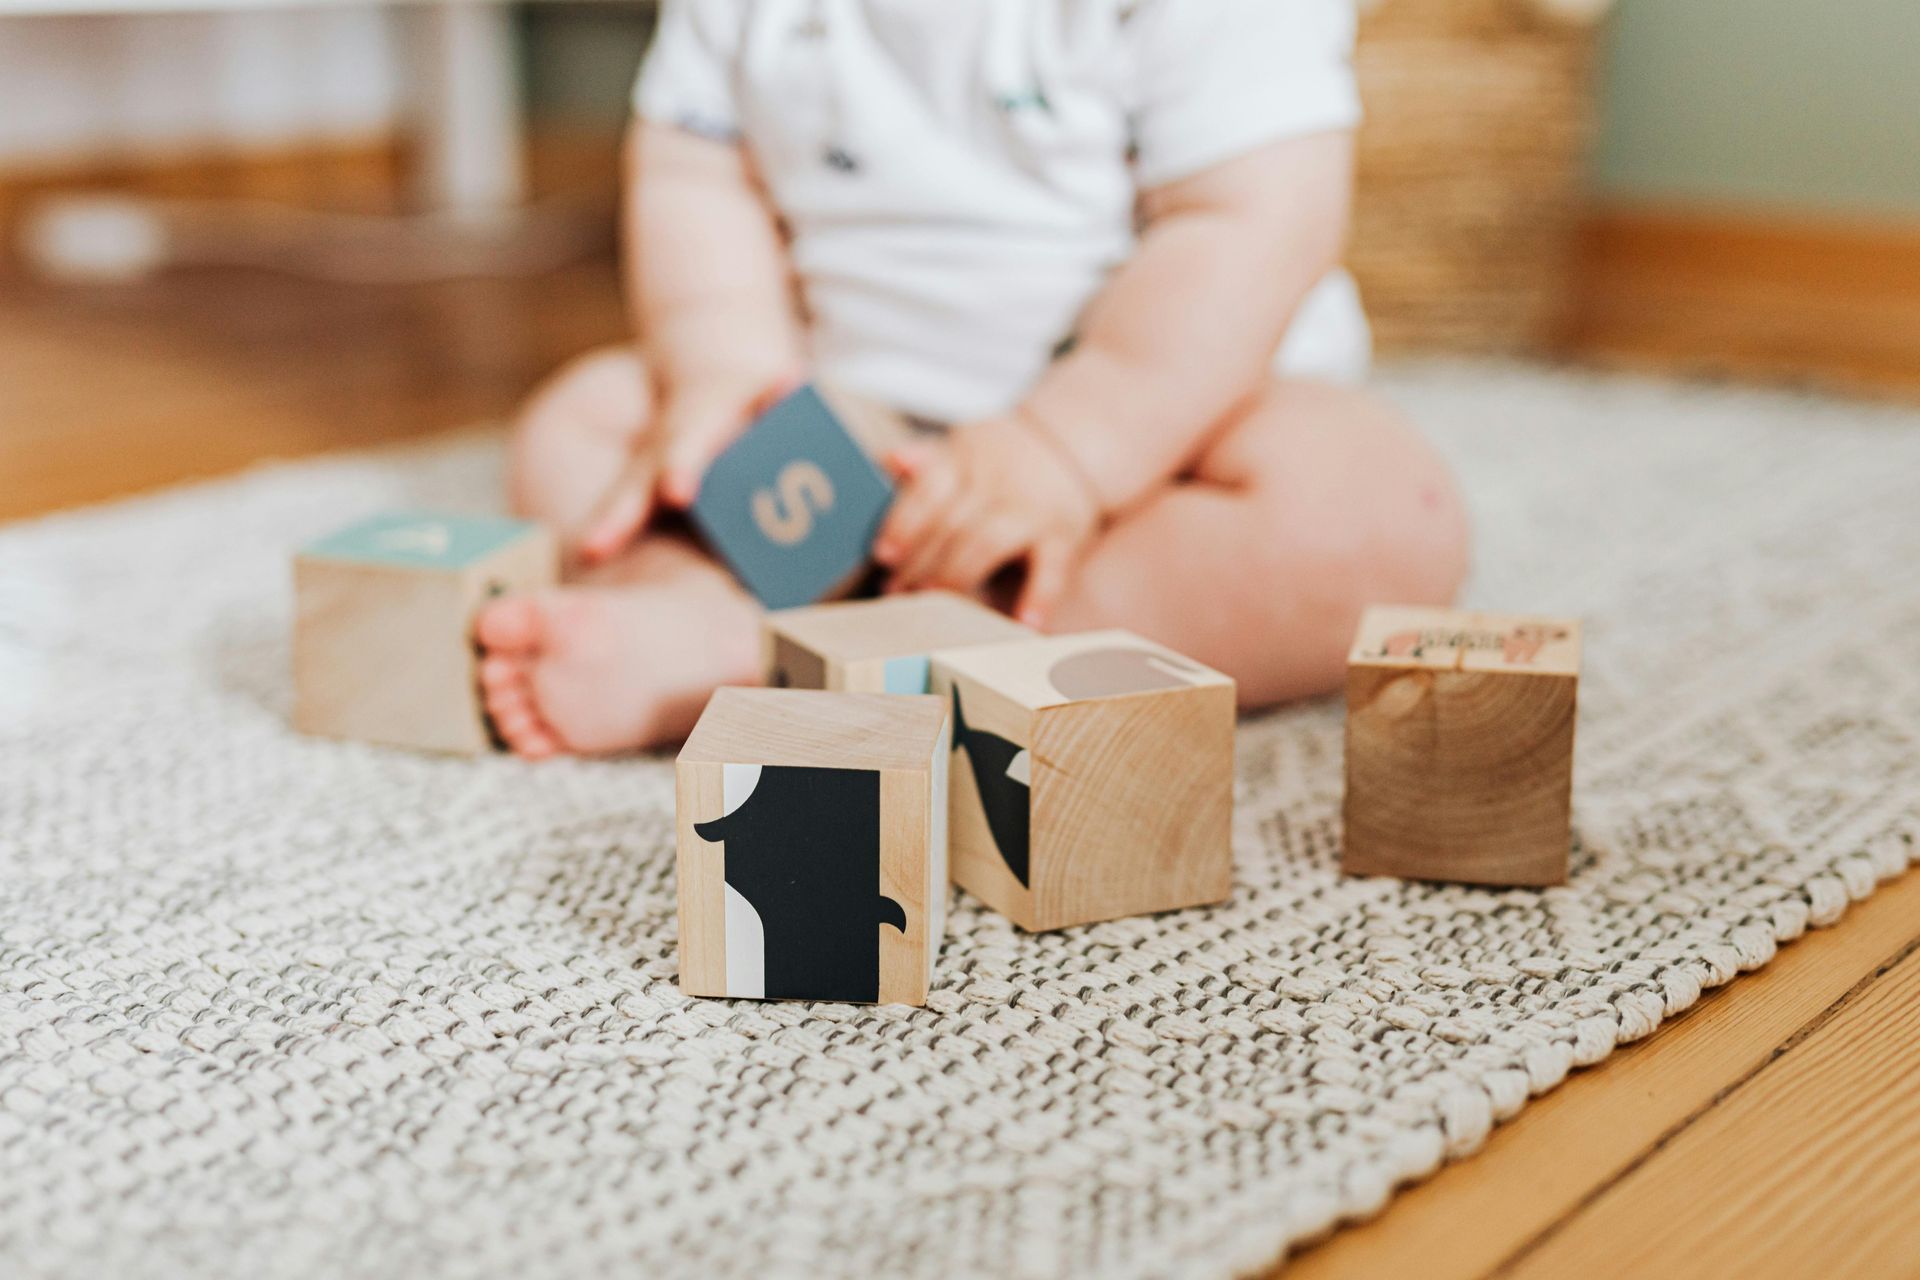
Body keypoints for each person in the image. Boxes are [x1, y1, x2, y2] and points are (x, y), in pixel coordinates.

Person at [477, 0, 1469, 757]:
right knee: (582, 426)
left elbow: (1254, 222)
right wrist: (724, 366)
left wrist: (1067, 451)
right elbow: (695, 170)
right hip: (852, 424)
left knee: (1381, 515)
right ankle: (711, 617)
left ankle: (851, 653)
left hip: (1160, 438)